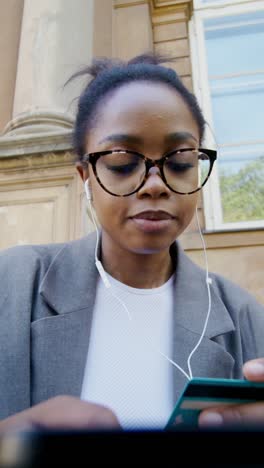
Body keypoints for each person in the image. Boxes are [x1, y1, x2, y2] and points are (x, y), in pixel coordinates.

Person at [0, 53, 264, 434]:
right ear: (85, 176)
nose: (155, 184)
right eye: (122, 162)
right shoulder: (12, 284)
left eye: (180, 161)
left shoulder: (244, 318)